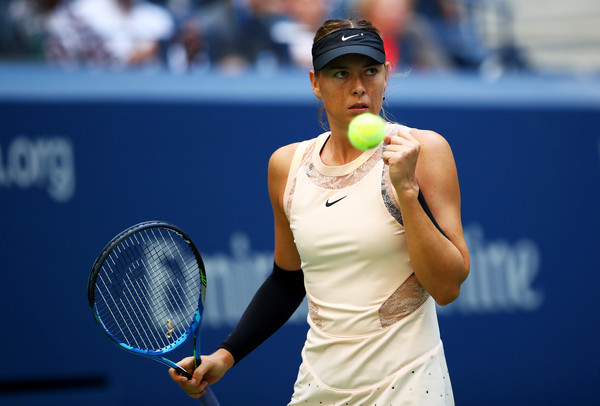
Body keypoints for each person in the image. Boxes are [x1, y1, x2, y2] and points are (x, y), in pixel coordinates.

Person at [169, 17, 470, 405]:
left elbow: (447, 288)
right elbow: (287, 280)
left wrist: (407, 191)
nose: (358, 86)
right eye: (340, 73)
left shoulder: (424, 150)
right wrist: (226, 355)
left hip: (410, 385)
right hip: (319, 386)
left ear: (387, 75)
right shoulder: (286, 165)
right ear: (315, 82)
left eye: (370, 71)